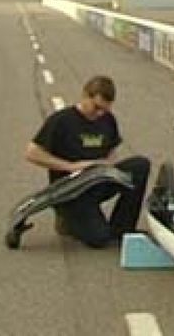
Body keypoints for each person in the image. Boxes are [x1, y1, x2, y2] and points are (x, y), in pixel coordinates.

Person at [24, 75, 150, 248]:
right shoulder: (61, 120)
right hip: (71, 191)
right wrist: (70, 166)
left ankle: (122, 228)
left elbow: (112, 150)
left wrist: (107, 165)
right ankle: (67, 221)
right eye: (96, 108)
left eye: (104, 110)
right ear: (85, 95)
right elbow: (32, 153)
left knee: (140, 165)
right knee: (99, 239)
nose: (100, 113)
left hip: (97, 181)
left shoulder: (108, 119)